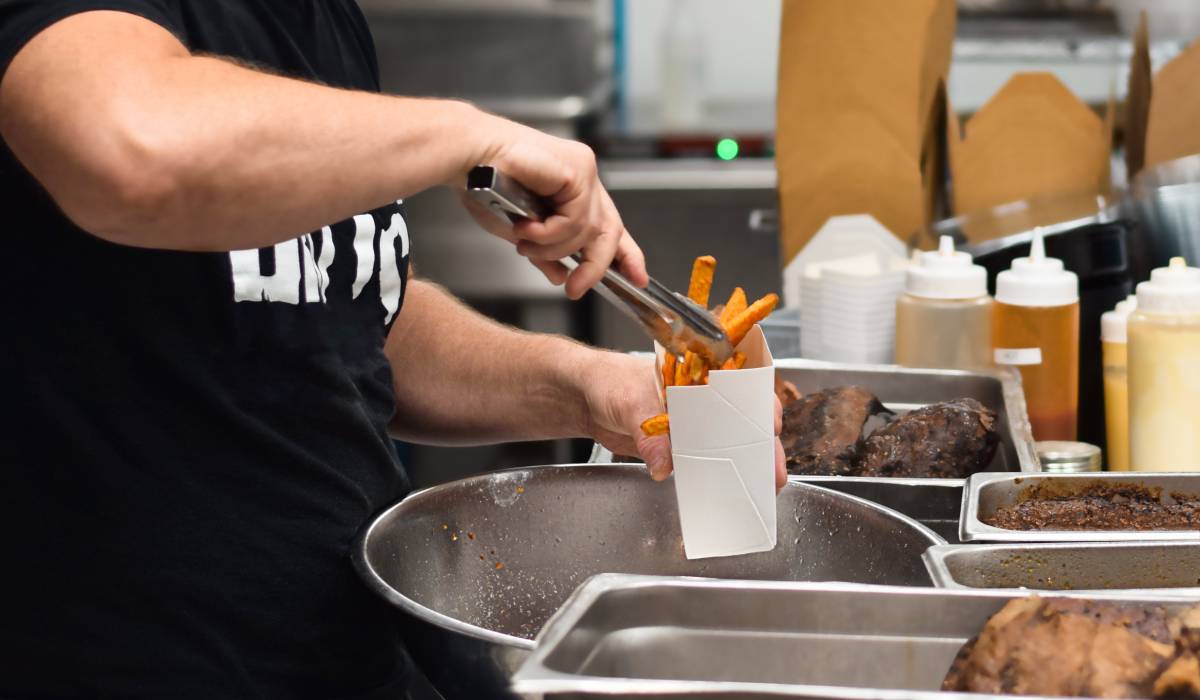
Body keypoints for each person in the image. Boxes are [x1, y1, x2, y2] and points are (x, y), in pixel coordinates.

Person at [0, 2, 786, 698]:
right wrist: (465, 135)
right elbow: (130, 148)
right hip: (133, 662)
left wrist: (586, 385)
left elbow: (358, 315)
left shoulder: (322, 21)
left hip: (344, 645)